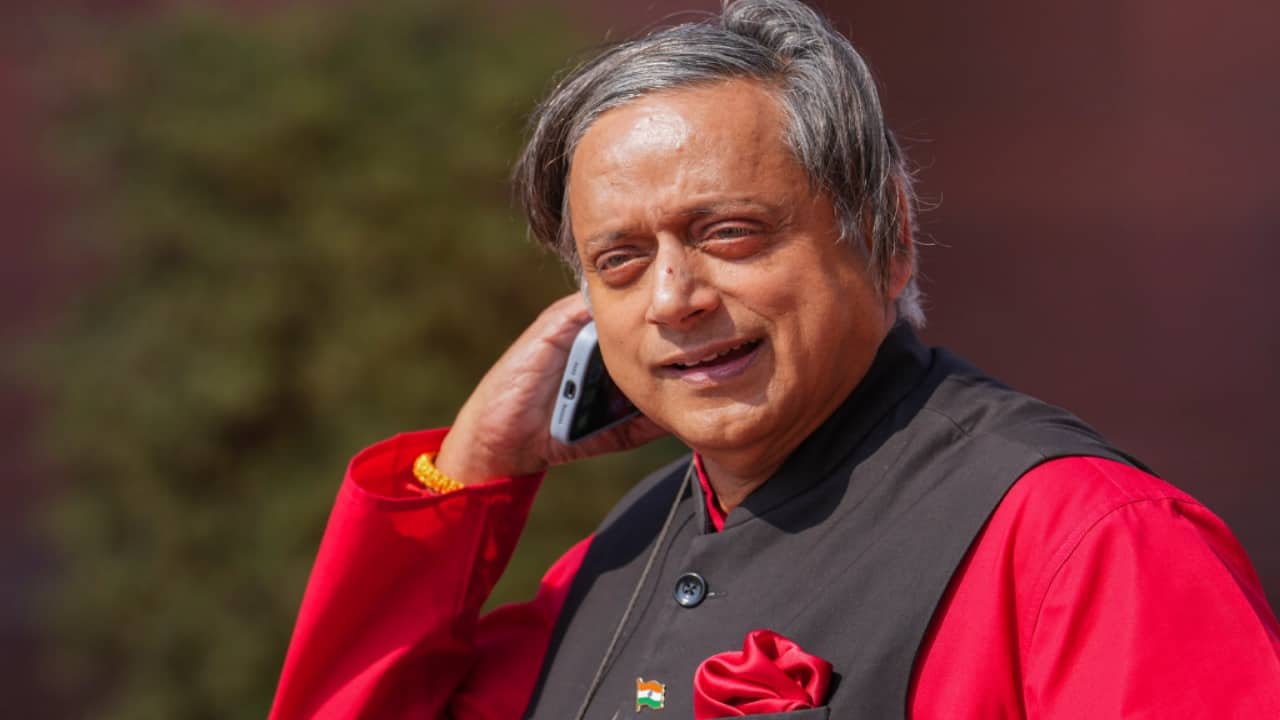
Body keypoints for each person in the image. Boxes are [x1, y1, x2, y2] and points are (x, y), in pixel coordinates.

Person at [269, 1, 1280, 717]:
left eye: (729, 233)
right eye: (620, 262)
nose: (674, 297)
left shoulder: (1083, 539)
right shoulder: (620, 559)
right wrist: (471, 472)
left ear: (885, 234)